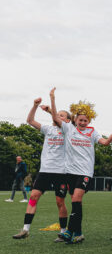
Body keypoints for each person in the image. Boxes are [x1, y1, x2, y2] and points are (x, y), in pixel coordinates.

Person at [50, 88, 112, 244]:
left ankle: (69, 231)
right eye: (81, 120)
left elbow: (105, 142)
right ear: (75, 119)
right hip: (70, 172)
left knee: (77, 198)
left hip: (85, 172)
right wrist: (52, 98)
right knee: (76, 202)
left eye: (86, 121)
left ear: (89, 121)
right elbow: (55, 117)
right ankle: (79, 233)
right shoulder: (68, 128)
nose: (83, 123)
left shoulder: (92, 132)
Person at [12, 99, 70, 240]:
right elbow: (30, 120)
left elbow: (57, 119)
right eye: (58, 114)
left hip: (61, 172)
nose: (58, 116)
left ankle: (63, 232)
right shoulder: (48, 129)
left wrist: (51, 109)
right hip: (45, 171)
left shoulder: (68, 131)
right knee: (33, 197)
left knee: (60, 202)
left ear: (68, 121)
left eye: (62, 115)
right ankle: (25, 230)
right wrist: (35, 106)